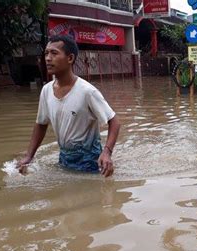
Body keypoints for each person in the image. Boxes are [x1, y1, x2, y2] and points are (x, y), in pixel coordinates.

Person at [17, 35, 120, 177]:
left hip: (91, 162)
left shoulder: (87, 91)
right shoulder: (46, 91)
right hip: (64, 159)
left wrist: (107, 152)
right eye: (46, 53)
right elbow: (41, 124)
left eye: (54, 53)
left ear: (70, 58)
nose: (47, 58)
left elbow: (114, 121)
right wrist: (29, 156)